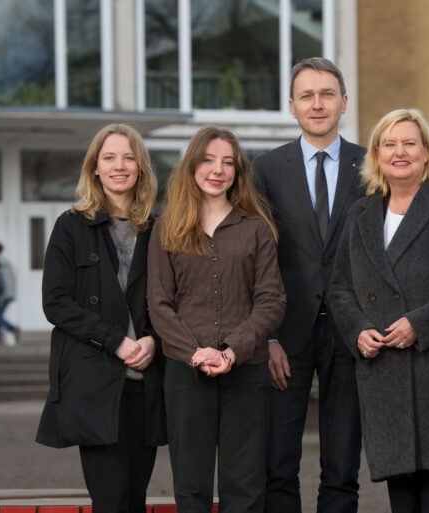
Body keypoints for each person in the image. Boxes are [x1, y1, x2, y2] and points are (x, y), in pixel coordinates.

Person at [328, 108, 429, 513]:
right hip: (386, 377)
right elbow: (340, 288)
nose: (399, 151)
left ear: (425, 152)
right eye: (390, 144)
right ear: (377, 155)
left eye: (409, 143)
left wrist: (419, 324)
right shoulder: (361, 213)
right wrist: (358, 331)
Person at [148, 126, 286, 513]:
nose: (217, 170)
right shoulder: (167, 229)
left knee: (245, 488)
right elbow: (159, 304)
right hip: (185, 374)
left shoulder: (257, 229)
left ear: (238, 173)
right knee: (190, 487)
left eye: (228, 162)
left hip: (246, 373)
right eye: (208, 160)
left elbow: (271, 301)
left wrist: (230, 352)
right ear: (192, 166)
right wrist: (196, 353)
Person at [252, 57, 365, 513]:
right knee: (277, 465)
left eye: (326, 95)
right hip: (285, 332)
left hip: (351, 332)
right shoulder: (265, 169)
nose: (317, 104)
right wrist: (268, 336)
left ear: (343, 103)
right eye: (307, 96)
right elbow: (256, 258)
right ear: (292, 106)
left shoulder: (371, 164)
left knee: (342, 467)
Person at [36, 124, 167, 513]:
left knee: (135, 499)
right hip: (95, 383)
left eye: (128, 157)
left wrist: (154, 340)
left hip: (145, 385)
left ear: (141, 167)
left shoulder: (158, 229)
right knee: (111, 502)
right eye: (109, 158)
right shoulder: (71, 226)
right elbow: (55, 302)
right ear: (95, 167)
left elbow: (173, 300)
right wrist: (116, 340)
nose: (119, 166)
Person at [0, 242, 21, 346]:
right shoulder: (8, 262)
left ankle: (13, 329)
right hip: (9, 293)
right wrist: (13, 294)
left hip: (0, 294)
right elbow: (13, 278)